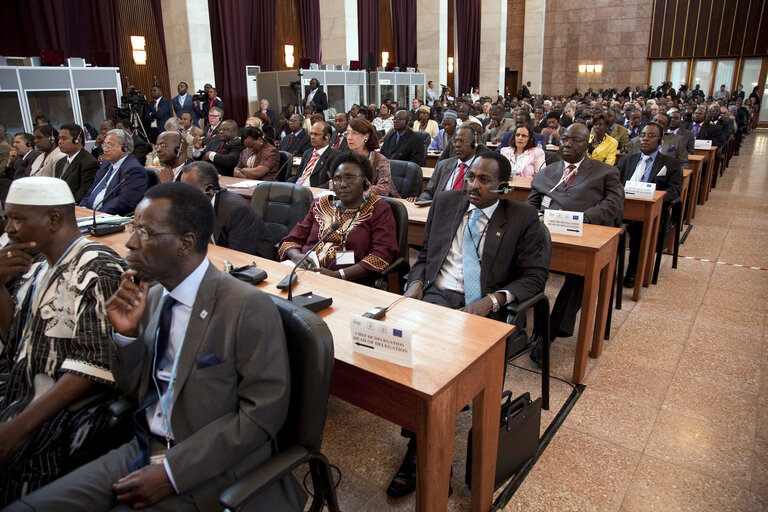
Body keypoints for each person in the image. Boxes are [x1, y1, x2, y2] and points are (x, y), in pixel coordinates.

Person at [6, 183, 306, 511]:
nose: (130, 241)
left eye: (145, 232)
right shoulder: (151, 297)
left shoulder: (246, 307)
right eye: (133, 227)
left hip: (213, 465)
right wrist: (127, 336)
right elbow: (135, 389)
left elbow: (262, 415)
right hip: (143, 446)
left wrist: (173, 473)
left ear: (185, 244)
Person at [388, 152, 549, 497]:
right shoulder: (447, 202)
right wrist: (416, 284)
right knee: (414, 363)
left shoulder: (521, 216)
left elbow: (535, 278)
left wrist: (490, 302)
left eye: (484, 180)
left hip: (485, 308)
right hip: (436, 296)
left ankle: (424, 453)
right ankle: (422, 451)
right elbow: (426, 257)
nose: (473, 185)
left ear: (503, 187)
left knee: (441, 367)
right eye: (471, 177)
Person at [0, 177, 125, 505]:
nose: (9, 228)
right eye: (7, 217)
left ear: (53, 219)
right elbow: (16, 339)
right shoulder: (37, 265)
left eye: (17, 218)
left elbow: (95, 363)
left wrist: (19, 428)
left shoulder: (98, 268)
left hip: (55, 415)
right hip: (20, 388)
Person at [527, 123, 624, 350]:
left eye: (575, 140)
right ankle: (515, 327)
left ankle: (548, 333)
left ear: (588, 144)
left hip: (584, 235)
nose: (567, 144)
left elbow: (614, 204)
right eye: (565, 139)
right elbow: (531, 204)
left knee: (581, 275)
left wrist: (581, 218)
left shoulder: (605, 172)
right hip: (547, 234)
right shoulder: (546, 172)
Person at [279, 153, 398, 284]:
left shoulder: (378, 209)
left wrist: (338, 275)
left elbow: (381, 255)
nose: (343, 184)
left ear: (366, 181)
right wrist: (297, 257)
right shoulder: (320, 204)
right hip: (302, 274)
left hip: (348, 282)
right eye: (337, 179)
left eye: (349, 178)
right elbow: (290, 240)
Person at [617, 122, 682, 287]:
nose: (645, 139)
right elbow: (614, 183)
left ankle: (633, 272)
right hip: (622, 207)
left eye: (651, 136)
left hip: (649, 211)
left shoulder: (670, 164)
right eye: (643, 135)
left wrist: (653, 197)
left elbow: (674, 191)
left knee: (639, 231)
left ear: (660, 141)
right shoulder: (627, 161)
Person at [181, 161, 275, 258]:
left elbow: (238, 254)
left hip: (256, 263)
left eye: (189, 190)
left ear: (209, 189)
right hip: (217, 256)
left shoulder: (236, 210)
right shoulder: (196, 205)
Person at [79, 129, 149, 214]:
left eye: (110, 145)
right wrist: (82, 208)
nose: (105, 149)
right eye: (104, 145)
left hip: (107, 217)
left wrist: (96, 214)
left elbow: (125, 201)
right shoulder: (106, 164)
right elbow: (91, 190)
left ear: (125, 148)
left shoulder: (133, 170)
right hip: (89, 214)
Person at [410, 126, 479, 202]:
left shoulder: (482, 169)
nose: (457, 145)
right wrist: (421, 200)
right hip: (440, 210)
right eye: (455, 141)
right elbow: (428, 192)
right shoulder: (442, 166)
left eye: (463, 141)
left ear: (474, 144)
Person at [342, 117, 400, 197]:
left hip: (383, 202)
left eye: (354, 133)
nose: (349, 137)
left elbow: (384, 188)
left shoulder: (381, 160)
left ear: (366, 136)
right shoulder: (346, 158)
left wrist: (357, 191)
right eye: (347, 133)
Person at [54, 123, 99, 201]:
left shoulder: (89, 162)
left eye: (64, 138)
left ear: (77, 141)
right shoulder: (60, 162)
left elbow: (84, 192)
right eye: (59, 138)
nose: (59, 142)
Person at [289, 121, 341, 188]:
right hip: (298, 190)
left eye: (316, 134)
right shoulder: (307, 153)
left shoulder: (335, 155)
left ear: (327, 136)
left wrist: (313, 190)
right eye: (311, 134)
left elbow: (331, 181)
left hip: (315, 193)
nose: (312, 137)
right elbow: (297, 176)